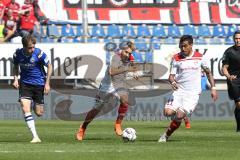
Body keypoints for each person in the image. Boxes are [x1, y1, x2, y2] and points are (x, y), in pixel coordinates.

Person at [158, 35, 218, 142]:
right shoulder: (176, 58)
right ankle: (177, 119)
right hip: (179, 91)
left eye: (185, 46)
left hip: (193, 94)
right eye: (181, 46)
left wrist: (213, 88)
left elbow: (208, 73)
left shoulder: (200, 57)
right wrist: (172, 82)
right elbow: (171, 76)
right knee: (167, 112)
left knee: (180, 115)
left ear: (191, 45)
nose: (183, 49)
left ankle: (165, 136)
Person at [76, 41, 140, 141]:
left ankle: (118, 124)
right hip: (107, 86)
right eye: (126, 52)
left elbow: (134, 64)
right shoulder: (115, 58)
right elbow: (111, 72)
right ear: (121, 50)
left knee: (125, 100)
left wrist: (135, 71)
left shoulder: (130, 57)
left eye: (130, 53)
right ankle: (83, 127)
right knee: (96, 109)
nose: (128, 55)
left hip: (119, 84)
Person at [12, 35, 52, 143]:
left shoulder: (39, 53)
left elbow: (49, 66)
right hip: (25, 84)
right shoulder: (17, 54)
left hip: (39, 84)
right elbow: (15, 66)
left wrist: (47, 83)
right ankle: (35, 137)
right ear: (24, 46)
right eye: (30, 47)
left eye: (33, 47)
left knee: (39, 113)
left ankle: (34, 102)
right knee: (25, 108)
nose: (32, 49)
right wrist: (15, 79)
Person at [222, 30, 240, 132]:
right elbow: (224, 68)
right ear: (234, 39)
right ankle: (239, 127)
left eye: (239, 38)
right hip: (234, 80)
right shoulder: (229, 52)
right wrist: (229, 76)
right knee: (238, 104)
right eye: (236, 38)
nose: (238, 40)